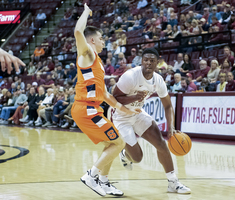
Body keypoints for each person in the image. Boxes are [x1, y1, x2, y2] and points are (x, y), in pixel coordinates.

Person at [70, 4, 139, 197]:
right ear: (91, 40)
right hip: (86, 109)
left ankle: (104, 182)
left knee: (112, 144)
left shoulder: (98, 62)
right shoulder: (88, 53)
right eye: (101, 38)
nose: (103, 41)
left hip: (92, 109)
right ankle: (91, 176)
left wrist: (125, 109)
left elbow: (106, 95)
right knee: (119, 143)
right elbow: (77, 31)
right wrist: (86, 12)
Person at [112, 48, 191, 194]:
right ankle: (125, 154)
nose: (148, 63)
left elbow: (167, 105)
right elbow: (113, 98)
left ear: (157, 63)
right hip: (121, 117)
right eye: (146, 60)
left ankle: (173, 182)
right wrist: (135, 97)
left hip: (137, 113)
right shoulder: (130, 76)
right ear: (142, 61)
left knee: (161, 144)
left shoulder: (158, 80)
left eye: (152, 60)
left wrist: (171, 127)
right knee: (137, 158)